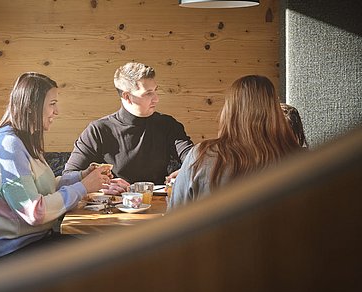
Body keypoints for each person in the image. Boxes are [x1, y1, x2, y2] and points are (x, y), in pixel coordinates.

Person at [0, 72, 111, 261]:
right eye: (52, 104)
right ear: (32, 107)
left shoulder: (24, 140)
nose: (57, 112)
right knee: (102, 257)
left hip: (34, 242)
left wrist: (81, 176)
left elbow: (43, 190)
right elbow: (34, 212)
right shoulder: (8, 145)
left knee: (105, 250)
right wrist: (83, 187)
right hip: (9, 254)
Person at [169, 75, 302, 209]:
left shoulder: (201, 156)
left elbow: (174, 219)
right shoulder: (300, 161)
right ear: (275, 112)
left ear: (229, 111)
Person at [63, 62, 194, 193]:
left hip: (159, 205)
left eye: (155, 90)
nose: (156, 99)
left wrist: (186, 171)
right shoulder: (98, 130)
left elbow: (195, 159)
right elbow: (69, 175)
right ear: (127, 96)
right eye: (148, 93)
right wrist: (103, 186)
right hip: (113, 206)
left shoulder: (168, 125)